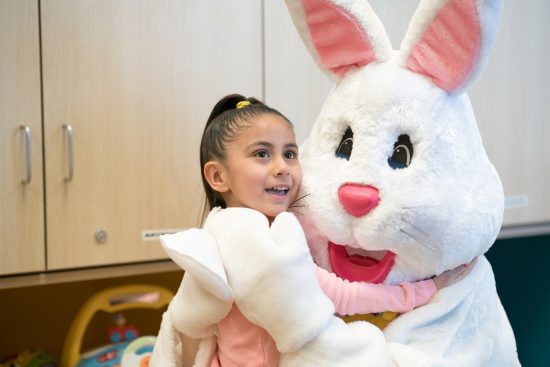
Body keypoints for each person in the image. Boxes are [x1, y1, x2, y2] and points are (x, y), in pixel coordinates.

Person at [178, 94, 473, 366]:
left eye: (290, 154)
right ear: (217, 176)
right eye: (262, 154)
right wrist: (425, 290)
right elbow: (340, 296)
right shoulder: (255, 245)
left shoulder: (231, 231)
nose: (283, 167)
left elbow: (191, 327)